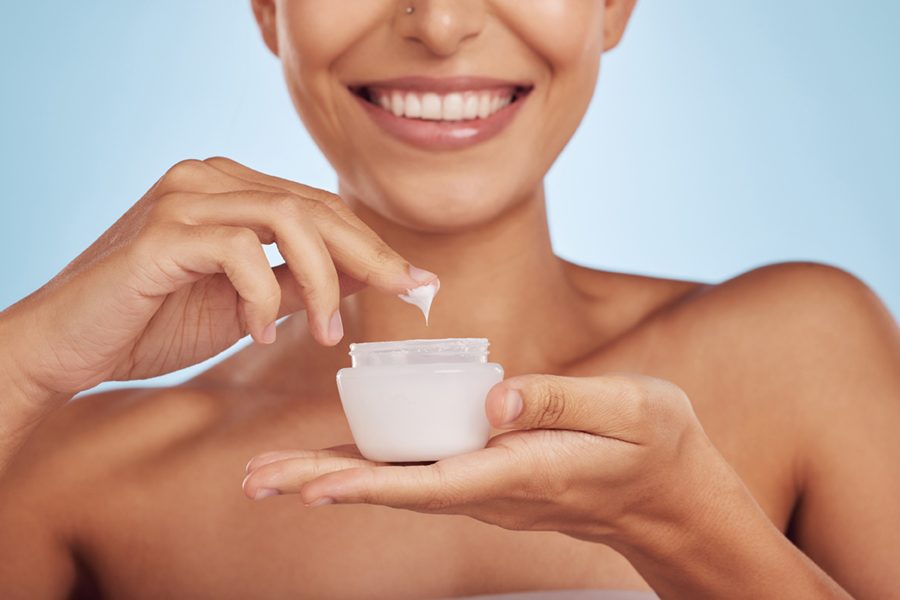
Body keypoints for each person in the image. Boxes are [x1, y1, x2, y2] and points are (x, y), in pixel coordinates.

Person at [0, 1, 897, 598]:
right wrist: (20, 362)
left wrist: (688, 530)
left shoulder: (804, 354)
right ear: (270, 9)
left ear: (614, 5)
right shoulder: (76, 476)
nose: (439, 22)